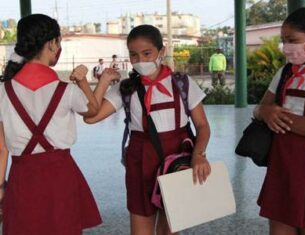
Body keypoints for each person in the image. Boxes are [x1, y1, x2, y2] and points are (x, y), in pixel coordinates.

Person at [85, 24, 211, 235]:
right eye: (134, 55)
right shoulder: (125, 88)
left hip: (177, 156)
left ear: (161, 52)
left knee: (171, 227)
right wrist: (104, 82)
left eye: (147, 53)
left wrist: (198, 155)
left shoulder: (182, 83)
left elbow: (202, 125)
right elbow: (91, 118)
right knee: (140, 226)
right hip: (140, 159)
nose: (140, 60)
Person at [0, 14, 102, 235]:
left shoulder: (3, 92)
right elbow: (93, 110)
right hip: (60, 177)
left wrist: (0, 188)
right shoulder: (67, 91)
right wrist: (82, 81)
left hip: (22, 178)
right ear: (53, 43)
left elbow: (1, 148)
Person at [254, 7, 305, 235]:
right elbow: (261, 107)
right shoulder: (285, 72)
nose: (286, 47)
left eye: (292, 40)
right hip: (282, 166)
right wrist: (264, 112)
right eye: (284, 41)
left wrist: (278, 116)